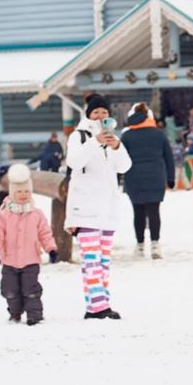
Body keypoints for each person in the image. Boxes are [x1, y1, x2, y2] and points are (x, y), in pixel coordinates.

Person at [65, 93, 132, 320]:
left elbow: (124, 167)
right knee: (91, 260)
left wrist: (117, 147)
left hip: (107, 209)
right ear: (89, 114)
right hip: (85, 209)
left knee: (103, 261)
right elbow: (74, 162)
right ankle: (98, 307)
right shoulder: (79, 136)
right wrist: (95, 142)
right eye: (96, 112)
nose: (100, 115)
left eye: (104, 112)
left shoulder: (112, 138)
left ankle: (98, 304)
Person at [0, 164, 59, 325]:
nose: (23, 195)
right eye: (19, 191)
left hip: (31, 259)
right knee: (10, 290)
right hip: (9, 260)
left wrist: (51, 249)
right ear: (12, 193)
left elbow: (45, 233)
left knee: (31, 289)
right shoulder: (4, 213)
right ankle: (15, 312)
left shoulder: (36, 214)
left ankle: (34, 315)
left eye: (26, 191)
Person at [121, 102, 175, 260]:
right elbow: (169, 158)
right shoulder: (159, 134)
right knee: (154, 212)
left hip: (133, 178)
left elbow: (119, 158)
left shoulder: (127, 136)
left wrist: (117, 178)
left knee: (138, 213)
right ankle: (155, 244)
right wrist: (170, 179)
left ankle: (139, 246)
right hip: (155, 177)